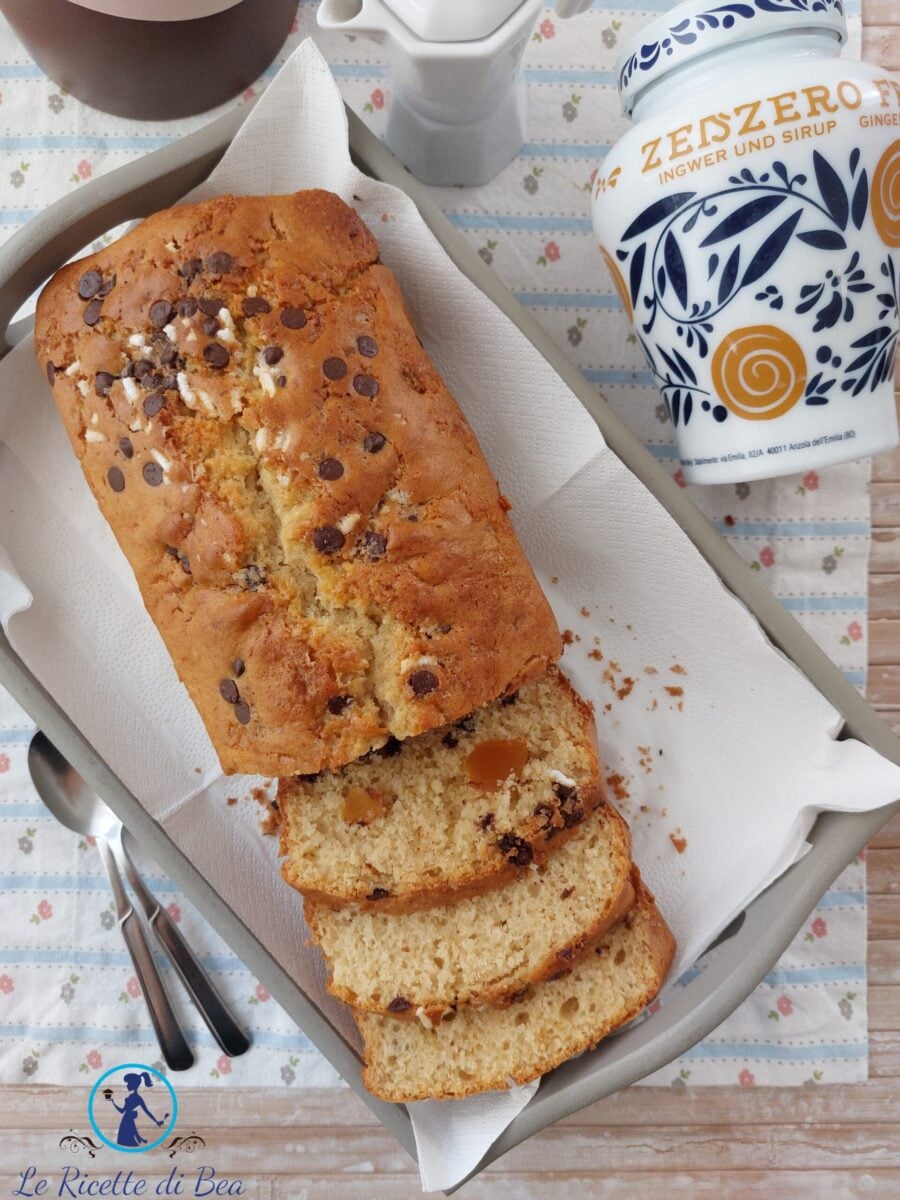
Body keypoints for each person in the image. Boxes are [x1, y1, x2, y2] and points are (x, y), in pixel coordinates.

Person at [106, 1071, 166, 1147]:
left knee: (128, 1141)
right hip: (125, 1120)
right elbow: (122, 1111)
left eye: (128, 1083)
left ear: (133, 1084)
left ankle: (138, 1142)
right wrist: (113, 1103)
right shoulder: (130, 1097)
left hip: (127, 1120)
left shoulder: (138, 1098)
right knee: (126, 1141)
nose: (127, 1085)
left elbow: (147, 1111)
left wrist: (156, 1121)